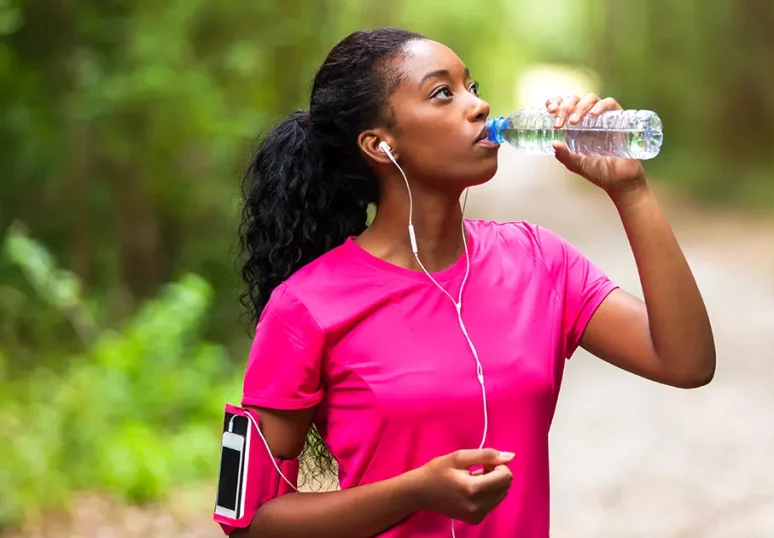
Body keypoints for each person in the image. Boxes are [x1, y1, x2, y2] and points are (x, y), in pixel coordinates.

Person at [230, 26, 715, 538]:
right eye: (443, 93)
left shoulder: (538, 260)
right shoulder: (304, 308)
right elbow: (248, 522)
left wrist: (631, 190)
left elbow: (686, 361)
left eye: (473, 87)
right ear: (380, 144)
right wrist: (413, 492)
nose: (479, 107)